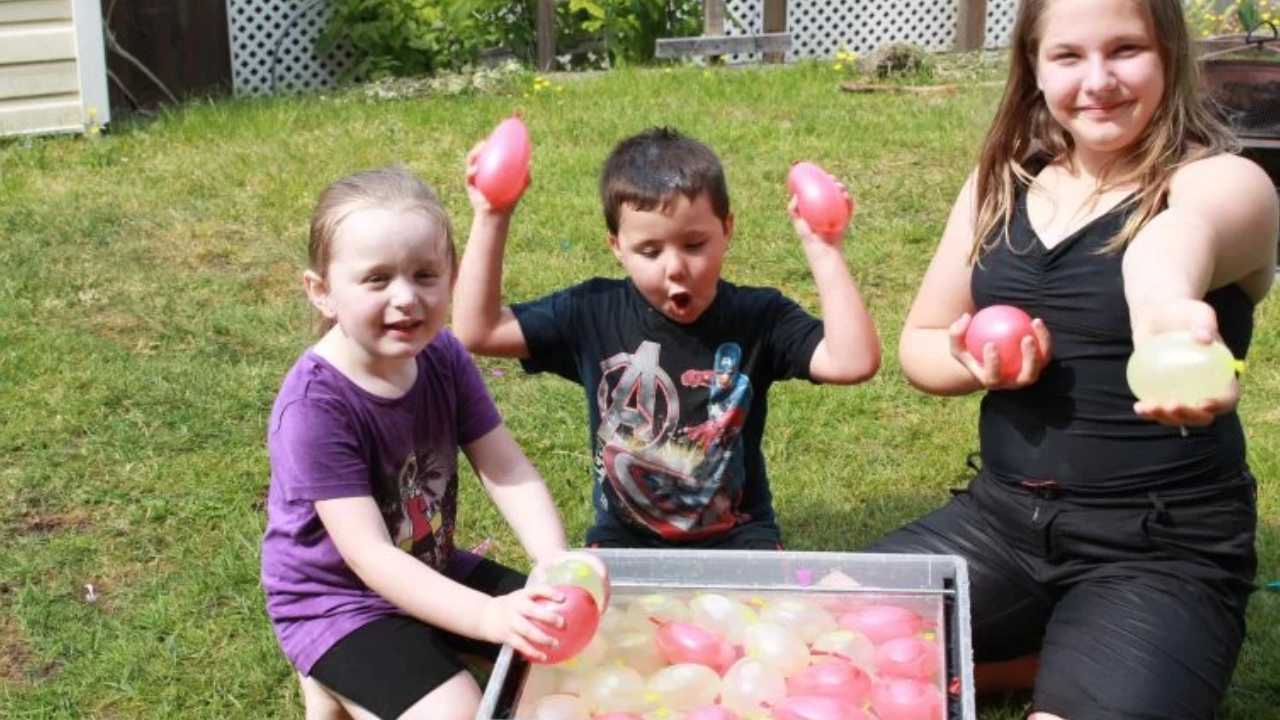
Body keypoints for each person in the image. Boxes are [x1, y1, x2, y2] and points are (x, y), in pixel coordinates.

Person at [870, 1, 1278, 719]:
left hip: (1158, 548)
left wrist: (1163, 320)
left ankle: (1105, 657)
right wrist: (970, 358)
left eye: (1126, 49)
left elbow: (1170, 242)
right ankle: (1037, 655)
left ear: (1171, 55)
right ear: (1032, 65)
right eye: (1068, 57)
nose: (1099, 81)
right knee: (814, 621)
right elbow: (921, 344)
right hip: (999, 523)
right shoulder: (1002, 179)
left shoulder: (1229, 183)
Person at [260, 166, 603, 720]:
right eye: (377, 279)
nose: (406, 299)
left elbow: (505, 467)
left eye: (425, 275)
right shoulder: (315, 407)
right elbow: (371, 557)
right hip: (337, 605)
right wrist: (489, 617)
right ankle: (327, 675)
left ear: (451, 276)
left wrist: (553, 561)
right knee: (459, 712)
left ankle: (346, 685)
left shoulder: (443, 357)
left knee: (567, 645)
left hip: (432, 568)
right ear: (322, 293)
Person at [453, 127, 881, 549]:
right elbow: (479, 330)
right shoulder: (591, 313)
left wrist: (825, 249)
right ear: (616, 246)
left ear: (727, 229)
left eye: (694, 244)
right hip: (625, 542)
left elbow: (853, 362)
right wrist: (492, 215)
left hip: (739, 539)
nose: (674, 268)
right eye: (650, 251)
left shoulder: (759, 317)